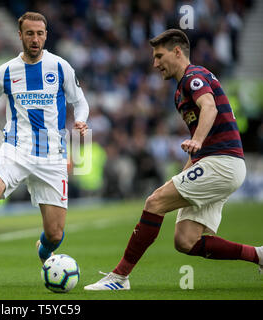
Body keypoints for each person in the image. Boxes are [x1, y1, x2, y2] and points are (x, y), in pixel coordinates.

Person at [84, 29, 262, 291]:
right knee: (185, 241)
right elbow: (201, 138)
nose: (155, 64)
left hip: (222, 164)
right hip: (215, 163)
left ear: (177, 51)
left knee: (154, 202)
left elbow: (209, 108)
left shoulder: (194, 77)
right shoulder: (180, 91)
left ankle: (120, 277)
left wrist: (198, 141)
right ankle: (258, 255)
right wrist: (186, 167)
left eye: (159, 56)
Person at [0, 12, 89, 287]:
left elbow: (80, 101)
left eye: (40, 33)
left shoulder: (60, 67)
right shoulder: (6, 71)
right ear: (20, 35)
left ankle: (44, 250)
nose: (35, 39)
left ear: (46, 35)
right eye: (30, 33)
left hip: (52, 156)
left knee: (55, 234)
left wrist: (81, 119)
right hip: (15, 148)